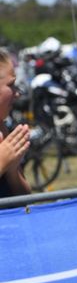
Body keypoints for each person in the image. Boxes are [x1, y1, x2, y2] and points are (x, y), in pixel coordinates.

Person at [0, 49, 30, 197]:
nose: (17, 93)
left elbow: (24, 199)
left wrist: (12, 171)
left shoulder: (2, 128)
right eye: (11, 85)